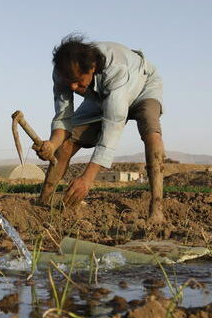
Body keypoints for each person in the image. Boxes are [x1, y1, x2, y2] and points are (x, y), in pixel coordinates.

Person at [34, 34, 166, 224]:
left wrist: (87, 179)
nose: (73, 87)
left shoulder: (116, 70)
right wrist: (52, 144)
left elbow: (112, 126)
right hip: (102, 96)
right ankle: (43, 203)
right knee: (67, 144)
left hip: (143, 86)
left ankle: (157, 209)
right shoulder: (63, 74)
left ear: (92, 68)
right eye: (69, 81)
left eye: (79, 81)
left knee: (151, 134)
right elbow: (63, 118)